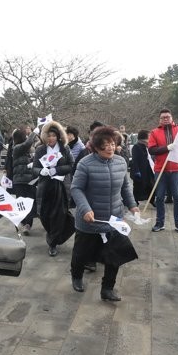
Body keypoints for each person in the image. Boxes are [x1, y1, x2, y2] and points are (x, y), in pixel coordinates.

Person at [69, 126, 140, 301]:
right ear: (96, 147)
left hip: (113, 218)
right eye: (105, 144)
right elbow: (76, 189)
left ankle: (107, 288)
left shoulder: (121, 162)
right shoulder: (85, 163)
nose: (109, 147)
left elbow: (125, 187)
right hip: (90, 219)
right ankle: (76, 276)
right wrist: (85, 209)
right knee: (81, 252)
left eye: (112, 143)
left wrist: (132, 205)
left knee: (115, 253)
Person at [33, 119, 76, 257]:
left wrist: (56, 170)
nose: (51, 138)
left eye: (54, 135)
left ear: (58, 136)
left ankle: (52, 243)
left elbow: (71, 165)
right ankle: (52, 236)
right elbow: (34, 168)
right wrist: (41, 171)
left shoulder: (64, 149)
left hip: (61, 186)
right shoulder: (40, 150)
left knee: (59, 215)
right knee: (45, 215)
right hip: (45, 187)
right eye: (49, 135)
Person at [147, 109, 178, 233]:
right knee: (159, 197)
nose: (165, 119)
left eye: (167, 117)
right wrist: (166, 148)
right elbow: (152, 150)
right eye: (163, 117)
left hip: (177, 168)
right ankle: (159, 223)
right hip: (160, 169)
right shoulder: (154, 132)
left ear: (172, 117)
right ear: (160, 119)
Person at [6, 125, 40, 234]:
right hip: (19, 180)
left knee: (29, 202)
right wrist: (33, 133)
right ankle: (23, 221)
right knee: (21, 203)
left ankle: (28, 224)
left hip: (30, 180)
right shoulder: (16, 148)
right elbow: (27, 144)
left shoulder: (29, 149)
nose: (26, 137)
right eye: (25, 135)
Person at [130, 129, 156, 205]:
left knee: (151, 185)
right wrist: (136, 171)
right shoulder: (136, 146)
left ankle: (152, 199)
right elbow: (135, 160)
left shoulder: (148, 146)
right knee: (138, 186)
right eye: (149, 135)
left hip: (149, 169)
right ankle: (135, 200)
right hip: (140, 170)